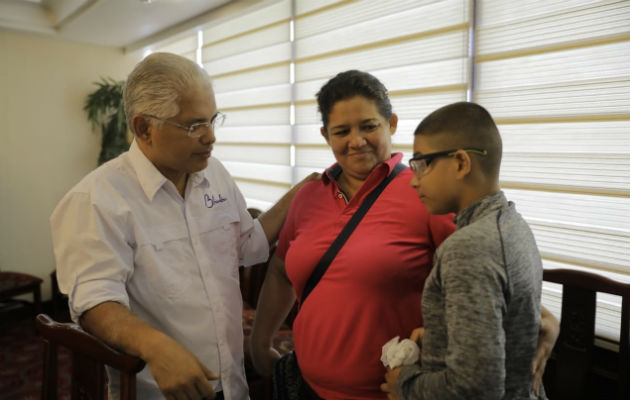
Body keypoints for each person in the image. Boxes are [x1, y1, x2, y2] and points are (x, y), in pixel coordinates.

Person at [50, 52, 317, 400]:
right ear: (144, 128)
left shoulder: (214, 173)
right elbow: (94, 302)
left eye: (213, 120)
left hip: (231, 381)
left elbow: (248, 245)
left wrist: (300, 192)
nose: (211, 137)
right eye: (194, 125)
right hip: (159, 388)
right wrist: (158, 348)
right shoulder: (97, 199)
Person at [249, 70, 455, 399]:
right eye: (341, 131)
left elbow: (483, 265)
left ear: (392, 123)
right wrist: (260, 342)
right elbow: (279, 270)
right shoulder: (308, 195)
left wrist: (539, 317)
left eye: (369, 126)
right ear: (325, 135)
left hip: (391, 392)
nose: (356, 141)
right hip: (304, 387)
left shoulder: (426, 191)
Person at [382, 102, 549, 399]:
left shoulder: (469, 247)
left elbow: (476, 388)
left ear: (460, 163)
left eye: (421, 164)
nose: (414, 181)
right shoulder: (512, 223)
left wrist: (404, 384)